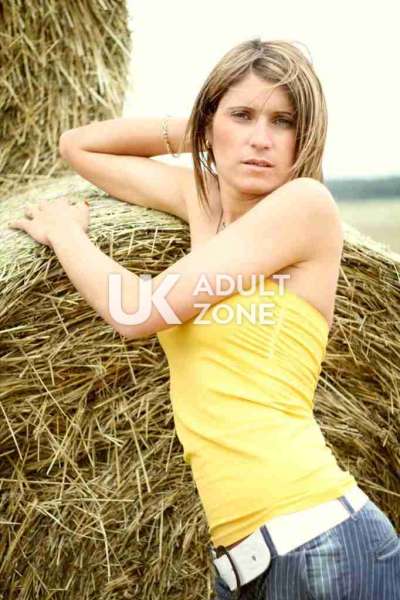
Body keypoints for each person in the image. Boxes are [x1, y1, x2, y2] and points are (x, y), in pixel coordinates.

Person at [10, 38, 400, 599]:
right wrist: (198, 127)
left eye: (283, 121)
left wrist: (66, 234)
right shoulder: (203, 201)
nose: (260, 139)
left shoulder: (304, 207)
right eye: (242, 115)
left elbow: (136, 312)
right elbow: (79, 146)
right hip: (243, 567)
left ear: (305, 137)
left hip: (324, 548)